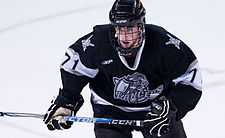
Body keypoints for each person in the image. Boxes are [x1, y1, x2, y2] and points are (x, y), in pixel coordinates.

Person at [43, 0, 202, 137]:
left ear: (141, 26)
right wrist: (67, 101)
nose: (125, 37)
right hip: (110, 109)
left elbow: (191, 80)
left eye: (130, 29)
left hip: (156, 111)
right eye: (120, 29)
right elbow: (74, 69)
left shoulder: (164, 44)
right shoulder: (98, 43)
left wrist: (172, 107)